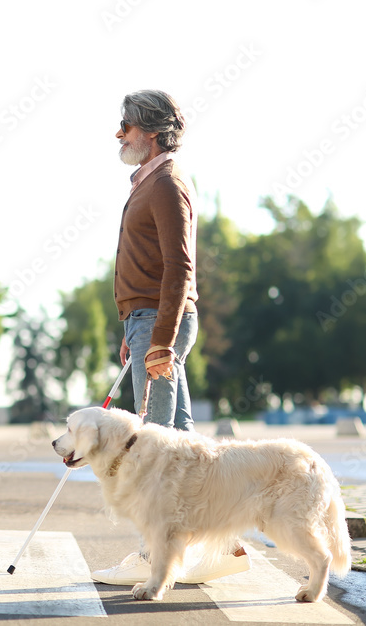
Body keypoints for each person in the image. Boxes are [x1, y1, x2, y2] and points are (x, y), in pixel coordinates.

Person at [90, 89, 250, 586]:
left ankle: (153, 554)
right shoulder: (148, 181)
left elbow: (180, 266)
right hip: (146, 321)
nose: (119, 134)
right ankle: (227, 546)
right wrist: (134, 329)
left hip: (161, 319)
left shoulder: (165, 183)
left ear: (152, 132)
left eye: (127, 126)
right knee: (178, 433)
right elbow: (149, 264)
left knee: (152, 444)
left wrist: (159, 337)